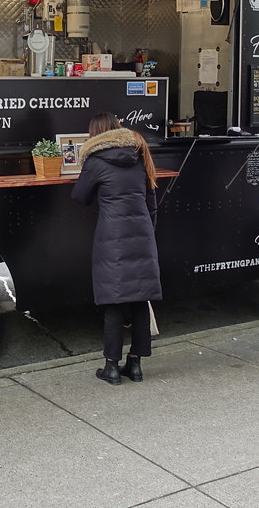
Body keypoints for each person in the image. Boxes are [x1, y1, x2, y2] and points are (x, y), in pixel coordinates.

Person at [71, 112, 161, 385]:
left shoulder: (96, 161)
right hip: (142, 233)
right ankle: (135, 366)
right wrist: (147, 233)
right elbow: (151, 200)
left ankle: (111, 367)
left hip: (113, 236)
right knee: (140, 298)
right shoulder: (139, 154)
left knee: (114, 300)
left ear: (95, 134)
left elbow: (79, 197)